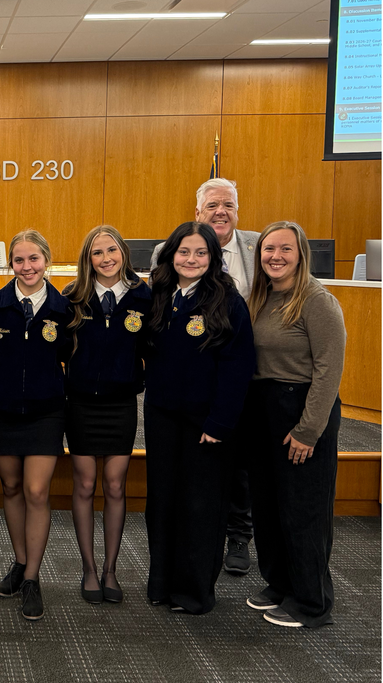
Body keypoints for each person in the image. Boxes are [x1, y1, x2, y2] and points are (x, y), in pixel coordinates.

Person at [143, 221, 255, 615]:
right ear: (171, 255)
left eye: (200, 253)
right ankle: (162, 584)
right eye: (184, 252)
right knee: (162, 502)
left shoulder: (227, 299)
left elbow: (238, 367)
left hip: (207, 423)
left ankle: (193, 593)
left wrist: (220, 423)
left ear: (213, 258)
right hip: (161, 417)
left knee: (200, 506)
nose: (191, 260)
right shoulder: (158, 294)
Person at [241, 221, 345, 628]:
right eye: (269, 249)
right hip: (263, 410)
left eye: (285, 249)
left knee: (304, 509)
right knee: (268, 504)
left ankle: (312, 602)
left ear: (301, 254)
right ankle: (280, 583)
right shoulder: (261, 297)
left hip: (301, 408)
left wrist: (307, 429)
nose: (276, 257)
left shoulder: (318, 302)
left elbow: (329, 369)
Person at [0, 230, 69, 620]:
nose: (27, 267)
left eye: (34, 259)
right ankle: (20, 562)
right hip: (2, 410)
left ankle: (32, 577)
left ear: (46, 260)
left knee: (36, 490)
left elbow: (72, 356)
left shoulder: (63, 308)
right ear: (9, 265)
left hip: (46, 412)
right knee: (12, 486)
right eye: (19, 260)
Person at [63, 225, 151, 605]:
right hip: (81, 404)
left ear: (124, 253)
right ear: (88, 259)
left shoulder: (143, 296)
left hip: (120, 405)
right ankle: (88, 568)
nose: (106, 259)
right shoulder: (72, 297)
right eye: (97, 253)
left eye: (112, 250)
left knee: (115, 485)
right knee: (84, 485)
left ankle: (112, 569)